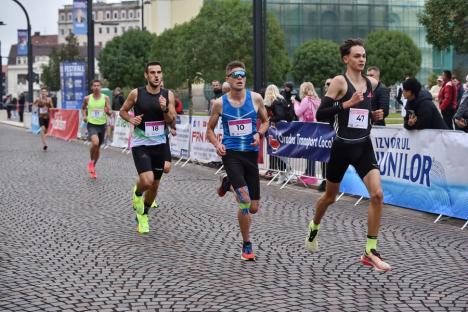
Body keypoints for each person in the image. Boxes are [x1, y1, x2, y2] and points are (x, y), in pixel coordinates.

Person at [305, 38, 391, 272]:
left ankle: (370, 250)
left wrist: (373, 116)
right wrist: (347, 104)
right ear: (346, 59)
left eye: (364, 55)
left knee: (377, 194)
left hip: (363, 145)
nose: (361, 59)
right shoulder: (339, 83)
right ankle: (314, 226)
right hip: (341, 148)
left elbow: (366, 111)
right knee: (330, 198)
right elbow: (321, 114)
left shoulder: (371, 83)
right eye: (356, 56)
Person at [207, 60, 268, 261]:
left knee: (254, 207)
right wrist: (217, 144)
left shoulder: (256, 99)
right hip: (231, 155)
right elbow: (209, 130)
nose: (240, 78)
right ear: (228, 79)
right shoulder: (219, 103)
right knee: (244, 201)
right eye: (236, 75)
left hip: (250, 154)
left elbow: (266, 121)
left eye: (243, 75)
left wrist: (259, 133)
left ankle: (228, 184)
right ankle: (247, 245)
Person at [119, 61, 176, 234]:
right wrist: (130, 119)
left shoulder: (168, 94)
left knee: (154, 186)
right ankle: (137, 192)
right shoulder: (136, 94)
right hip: (141, 144)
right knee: (147, 181)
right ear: (146, 75)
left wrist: (165, 108)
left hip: (160, 143)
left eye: (159, 72)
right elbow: (122, 111)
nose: (156, 75)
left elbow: (171, 120)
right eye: (152, 72)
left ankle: (143, 214)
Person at [81, 80, 112, 179]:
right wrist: (84, 116)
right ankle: (91, 161)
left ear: (101, 87)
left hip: (102, 125)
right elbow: (83, 108)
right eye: (94, 85)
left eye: (98, 85)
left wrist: (108, 112)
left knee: (98, 148)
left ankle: (93, 167)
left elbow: (110, 111)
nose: (96, 87)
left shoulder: (105, 98)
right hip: (91, 124)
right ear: (92, 87)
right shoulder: (87, 98)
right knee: (95, 143)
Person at [263, 84, 291, 182]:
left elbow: (280, 115)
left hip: (279, 130)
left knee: (279, 151)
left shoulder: (277, 101)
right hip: (280, 129)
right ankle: (283, 173)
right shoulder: (281, 100)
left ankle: (283, 174)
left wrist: (270, 119)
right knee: (280, 151)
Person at [295, 82, 321, 183]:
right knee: (310, 150)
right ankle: (309, 172)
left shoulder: (306, 99)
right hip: (314, 127)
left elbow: (298, 112)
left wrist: (295, 103)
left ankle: (311, 174)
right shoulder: (316, 99)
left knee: (309, 151)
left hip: (307, 127)